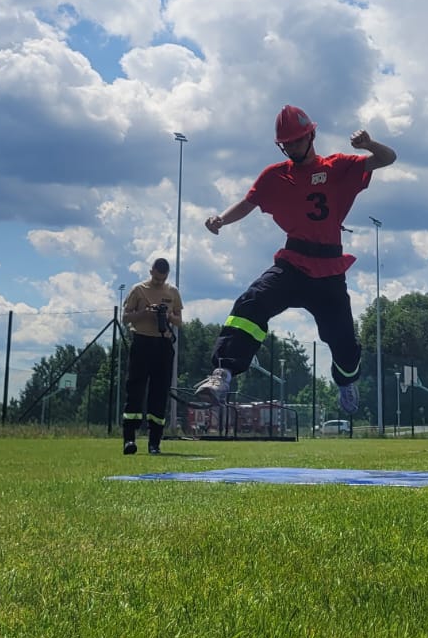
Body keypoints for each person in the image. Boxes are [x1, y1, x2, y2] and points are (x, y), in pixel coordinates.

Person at [194, 106, 397, 416]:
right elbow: (248, 203)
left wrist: (369, 143)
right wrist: (220, 219)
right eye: (285, 144)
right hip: (292, 263)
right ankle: (223, 372)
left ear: (311, 135)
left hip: (328, 270)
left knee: (344, 341)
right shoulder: (275, 175)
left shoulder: (338, 167)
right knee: (251, 302)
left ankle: (346, 381)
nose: (291, 147)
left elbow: (388, 158)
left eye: (296, 141)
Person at [120, 257, 183, 455]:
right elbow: (125, 318)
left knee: (160, 392)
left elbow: (179, 321)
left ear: (167, 276)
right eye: (156, 279)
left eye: (162, 279)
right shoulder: (138, 290)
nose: (159, 282)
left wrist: (168, 317)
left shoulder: (172, 292)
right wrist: (144, 313)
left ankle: (154, 442)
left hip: (163, 344)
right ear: (151, 272)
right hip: (142, 342)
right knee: (135, 390)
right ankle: (129, 439)